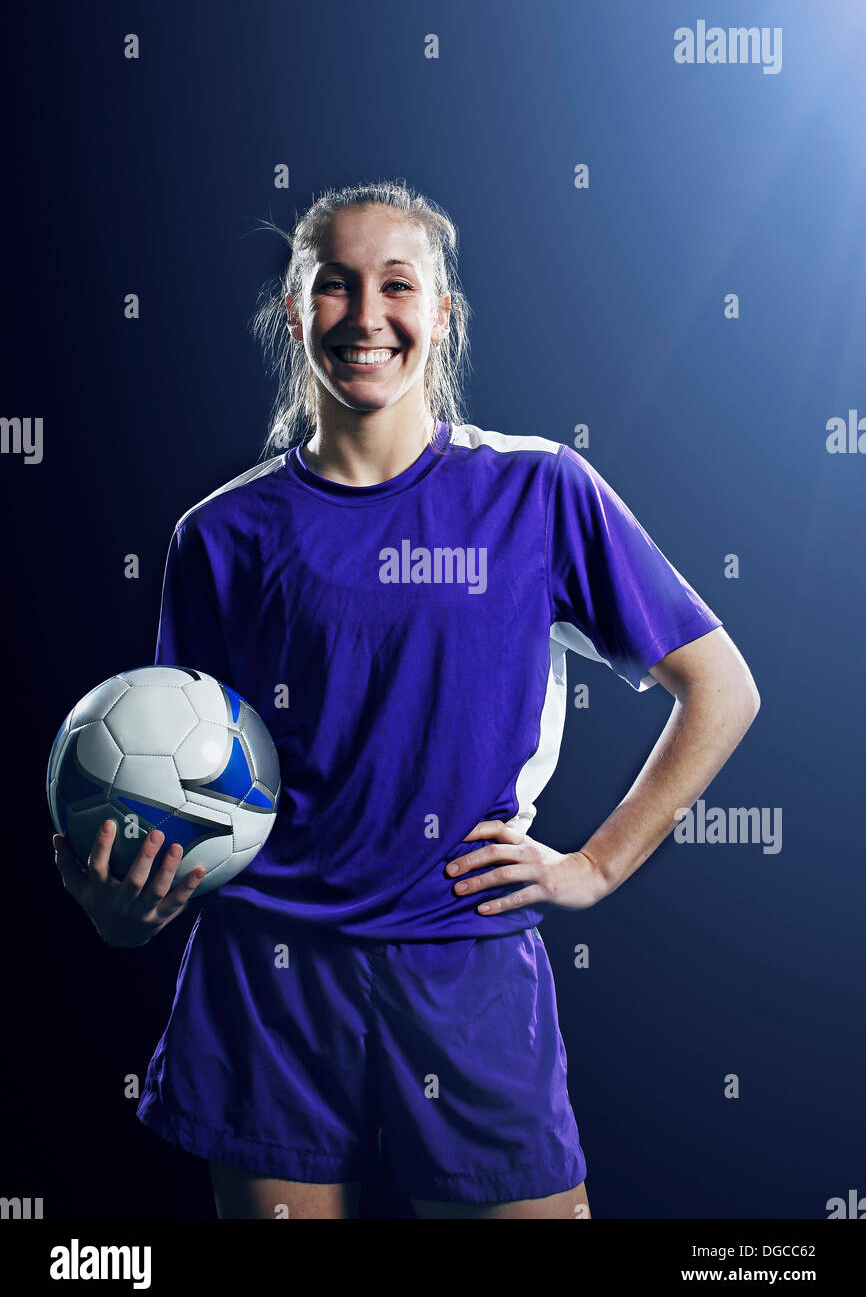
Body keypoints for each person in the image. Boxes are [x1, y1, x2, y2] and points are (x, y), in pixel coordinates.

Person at [53, 179, 760, 1220]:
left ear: (442, 314)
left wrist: (593, 866)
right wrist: (124, 906)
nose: (365, 315)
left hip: (465, 964)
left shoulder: (537, 491)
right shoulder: (219, 536)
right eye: (333, 286)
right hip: (268, 979)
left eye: (396, 284)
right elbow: (179, 789)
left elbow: (719, 687)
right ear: (294, 315)